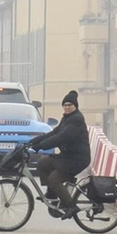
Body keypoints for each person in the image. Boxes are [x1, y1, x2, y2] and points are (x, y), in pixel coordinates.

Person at [27, 91, 90, 219]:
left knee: (54, 179)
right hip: (67, 156)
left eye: (70, 105)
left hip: (77, 159)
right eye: (65, 105)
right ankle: (52, 194)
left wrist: (40, 146)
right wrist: (33, 141)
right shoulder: (66, 118)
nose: (67, 107)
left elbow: (60, 138)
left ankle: (71, 206)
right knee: (43, 162)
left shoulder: (77, 119)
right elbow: (54, 133)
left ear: (75, 106)